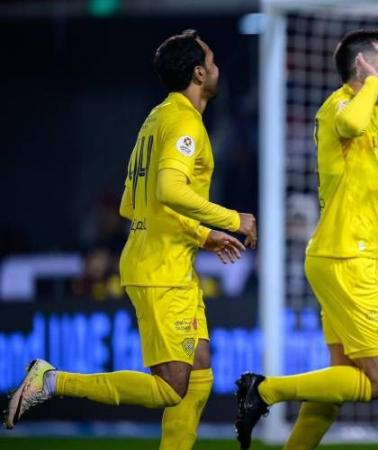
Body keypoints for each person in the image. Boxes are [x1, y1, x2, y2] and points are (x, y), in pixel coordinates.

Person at [4, 29, 257, 450]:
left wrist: (202, 234)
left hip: (166, 259)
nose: (216, 68)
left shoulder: (157, 118)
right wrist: (233, 220)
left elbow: (129, 203)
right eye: (211, 62)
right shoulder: (183, 124)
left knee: (199, 373)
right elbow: (169, 191)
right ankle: (51, 381)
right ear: (198, 73)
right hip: (161, 269)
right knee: (171, 387)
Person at [234, 29, 378, 450]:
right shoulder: (340, 106)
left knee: (338, 380)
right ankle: (265, 392)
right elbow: (351, 119)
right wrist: (368, 82)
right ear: (363, 68)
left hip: (342, 257)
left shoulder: (369, 109)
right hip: (346, 258)